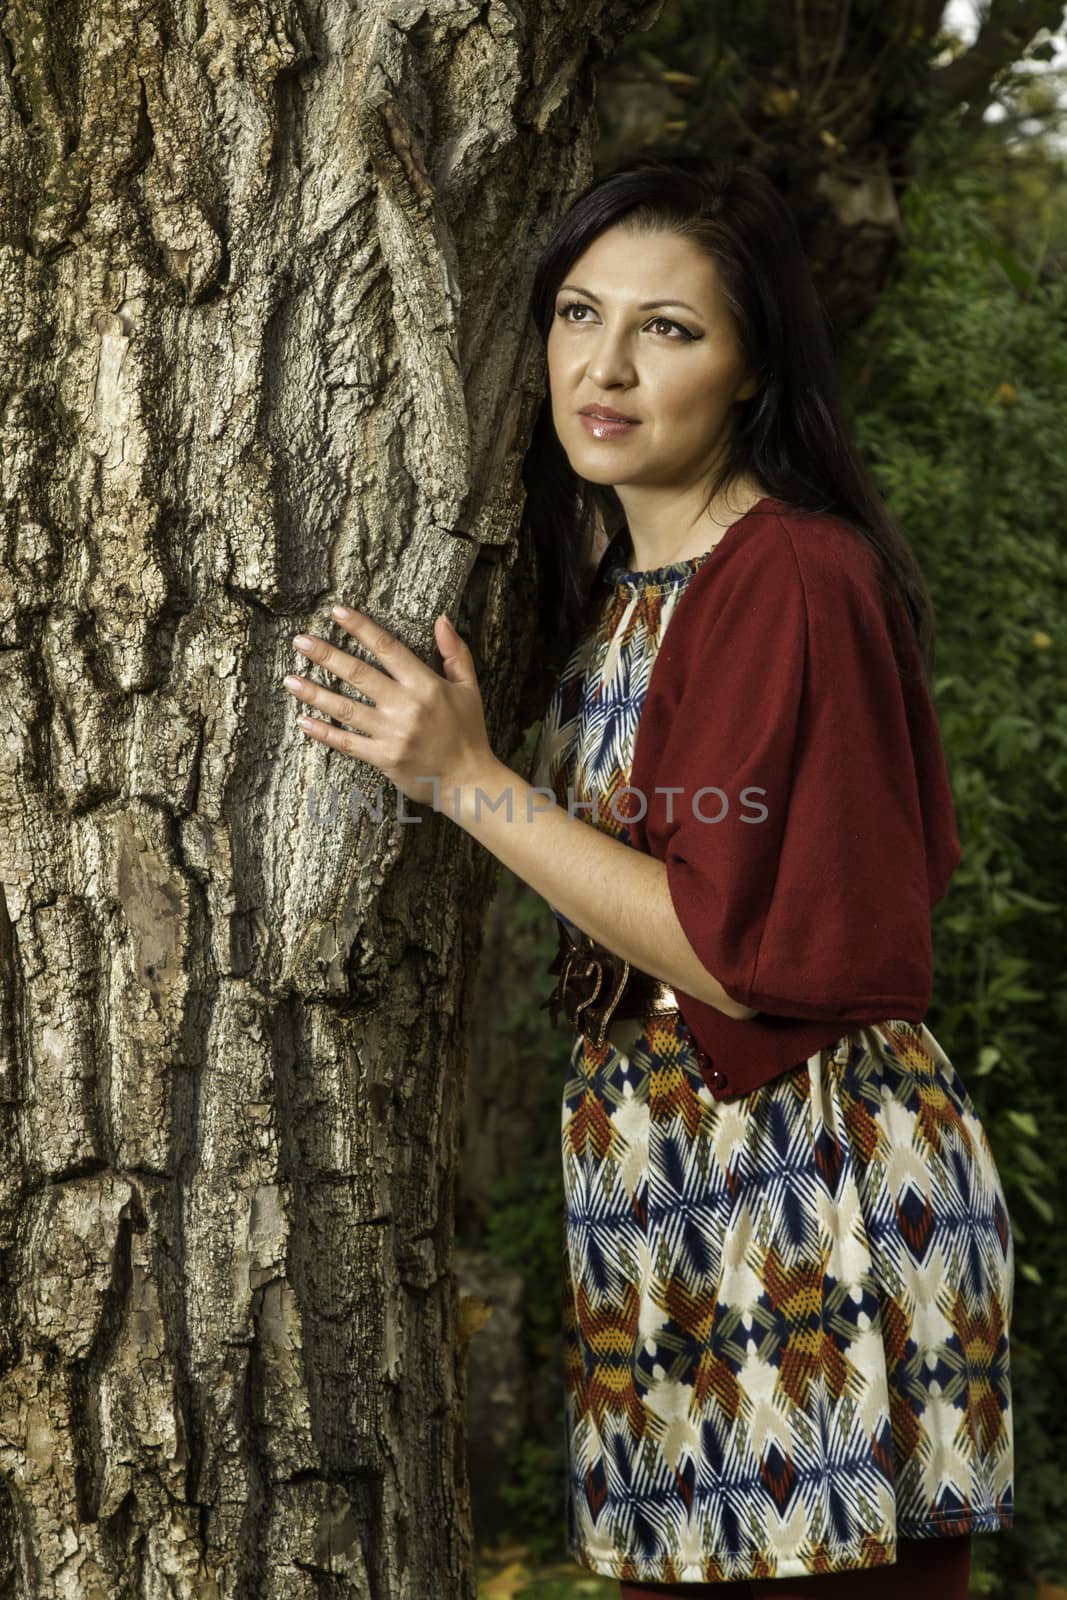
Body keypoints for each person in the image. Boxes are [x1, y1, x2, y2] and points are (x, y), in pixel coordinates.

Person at [280, 155, 1014, 1595]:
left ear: (750, 371)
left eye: (668, 329)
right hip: (667, 1186)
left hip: (812, 1187)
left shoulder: (791, 576)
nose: (603, 366)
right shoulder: (618, 591)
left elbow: (744, 949)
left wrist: (465, 779)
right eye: (576, 313)